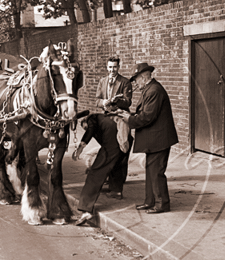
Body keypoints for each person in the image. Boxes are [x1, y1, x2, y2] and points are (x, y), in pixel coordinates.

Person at [75, 56, 134, 226]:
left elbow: (127, 101)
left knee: (97, 171)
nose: (112, 70)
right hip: (111, 128)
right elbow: (97, 100)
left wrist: (81, 146)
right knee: (113, 160)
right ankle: (114, 189)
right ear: (106, 67)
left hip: (118, 123)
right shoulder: (102, 83)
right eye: (109, 67)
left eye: (114, 67)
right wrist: (104, 102)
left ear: (118, 67)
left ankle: (86, 209)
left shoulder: (124, 82)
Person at [122, 63, 178, 214]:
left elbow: (147, 117)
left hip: (159, 140)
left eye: (136, 79)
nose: (135, 83)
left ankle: (162, 204)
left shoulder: (154, 91)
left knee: (156, 172)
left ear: (144, 77)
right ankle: (150, 201)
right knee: (150, 171)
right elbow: (146, 114)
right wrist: (130, 116)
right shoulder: (150, 89)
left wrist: (129, 119)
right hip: (155, 139)